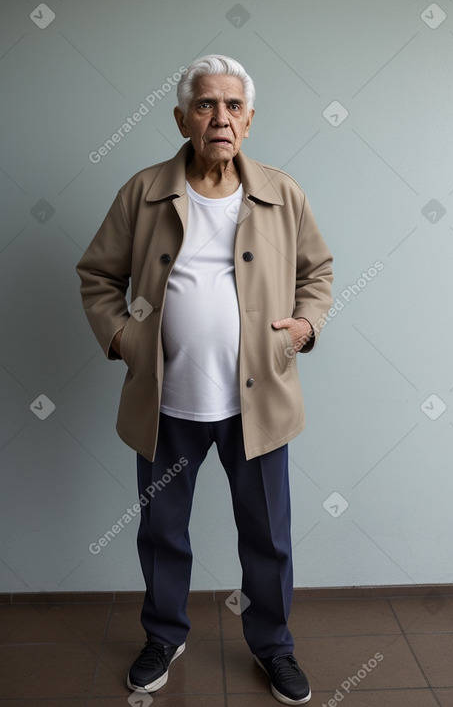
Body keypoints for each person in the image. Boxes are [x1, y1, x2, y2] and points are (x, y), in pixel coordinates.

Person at [76, 54, 333, 705]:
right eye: (205, 104)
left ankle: (273, 646)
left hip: (259, 402)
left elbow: (318, 272)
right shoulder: (144, 191)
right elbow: (98, 276)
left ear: (249, 120)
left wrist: (305, 326)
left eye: (232, 106)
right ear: (182, 118)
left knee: (267, 535)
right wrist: (124, 340)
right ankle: (163, 635)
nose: (220, 117)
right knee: (162, 529)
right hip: (165, 402)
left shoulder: (282, 192)